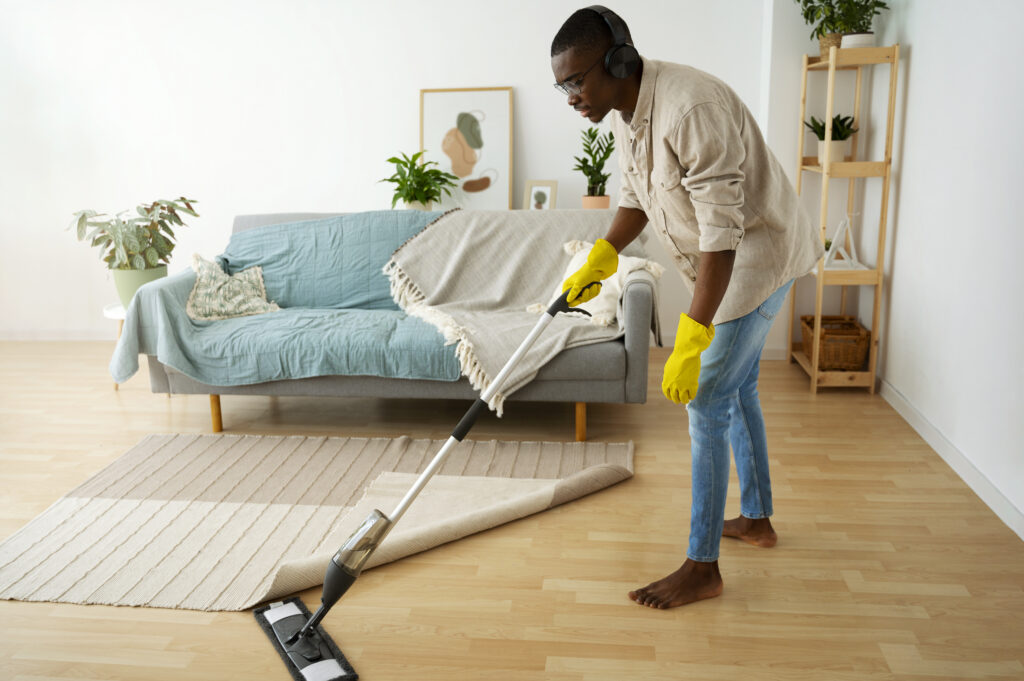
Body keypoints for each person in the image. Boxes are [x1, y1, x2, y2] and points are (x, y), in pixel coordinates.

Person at [552, 6, 823, 609]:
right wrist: (602, 256)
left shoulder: (689, 109)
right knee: (738, 388)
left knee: (705, 397)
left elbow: (722, 236)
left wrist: (692, 335)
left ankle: (702, 566)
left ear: (618, 59)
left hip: (756, 258)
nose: (572, 97)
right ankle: (756, 519)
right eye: (562, 86)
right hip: (726, 258)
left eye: (577, 81)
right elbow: (635, 197)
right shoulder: (625, 113)